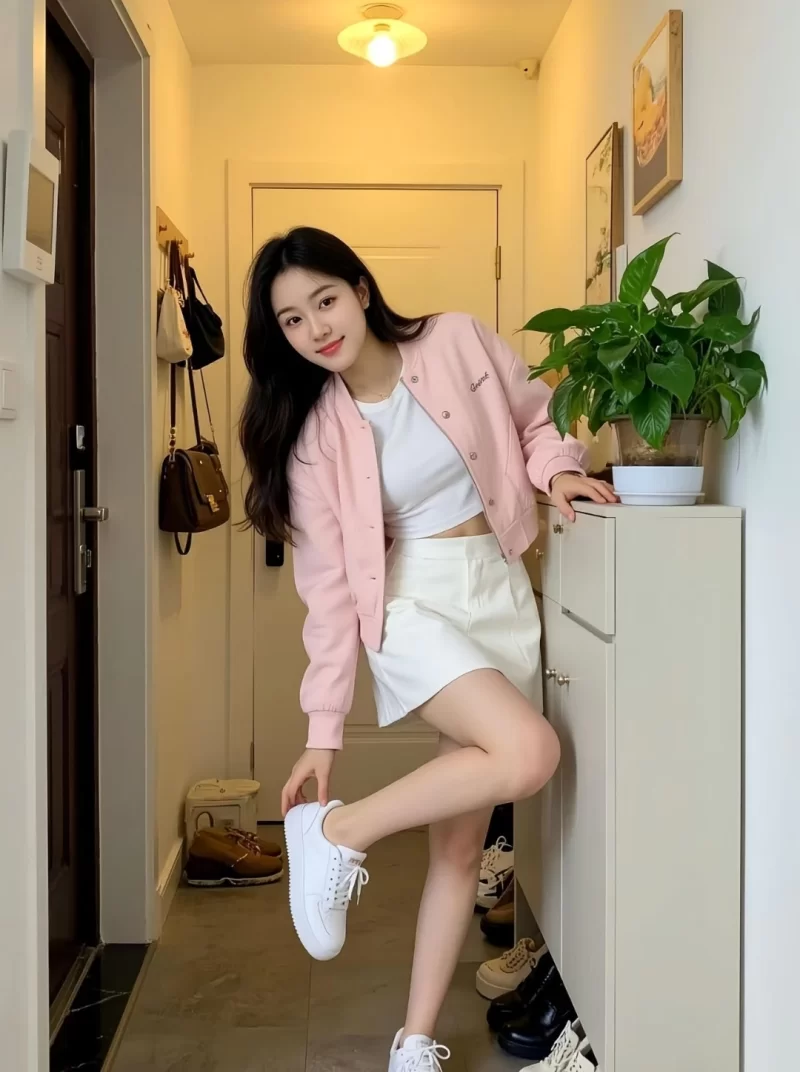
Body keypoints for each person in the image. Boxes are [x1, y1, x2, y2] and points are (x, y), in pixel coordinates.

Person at [240, 227, 617, 1071]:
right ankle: (340, 831)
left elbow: (538, 418)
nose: (316, 329)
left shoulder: (455, 340)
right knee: (529, 753)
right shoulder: (315, 436)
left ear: (360, 289)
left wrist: (558, 472)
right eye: (292, 320)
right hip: (413, 603)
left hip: (500, 589)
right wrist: (322, 732)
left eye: (324, 302)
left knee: (458, 845)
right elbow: (329, 596)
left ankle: (413, 1044)